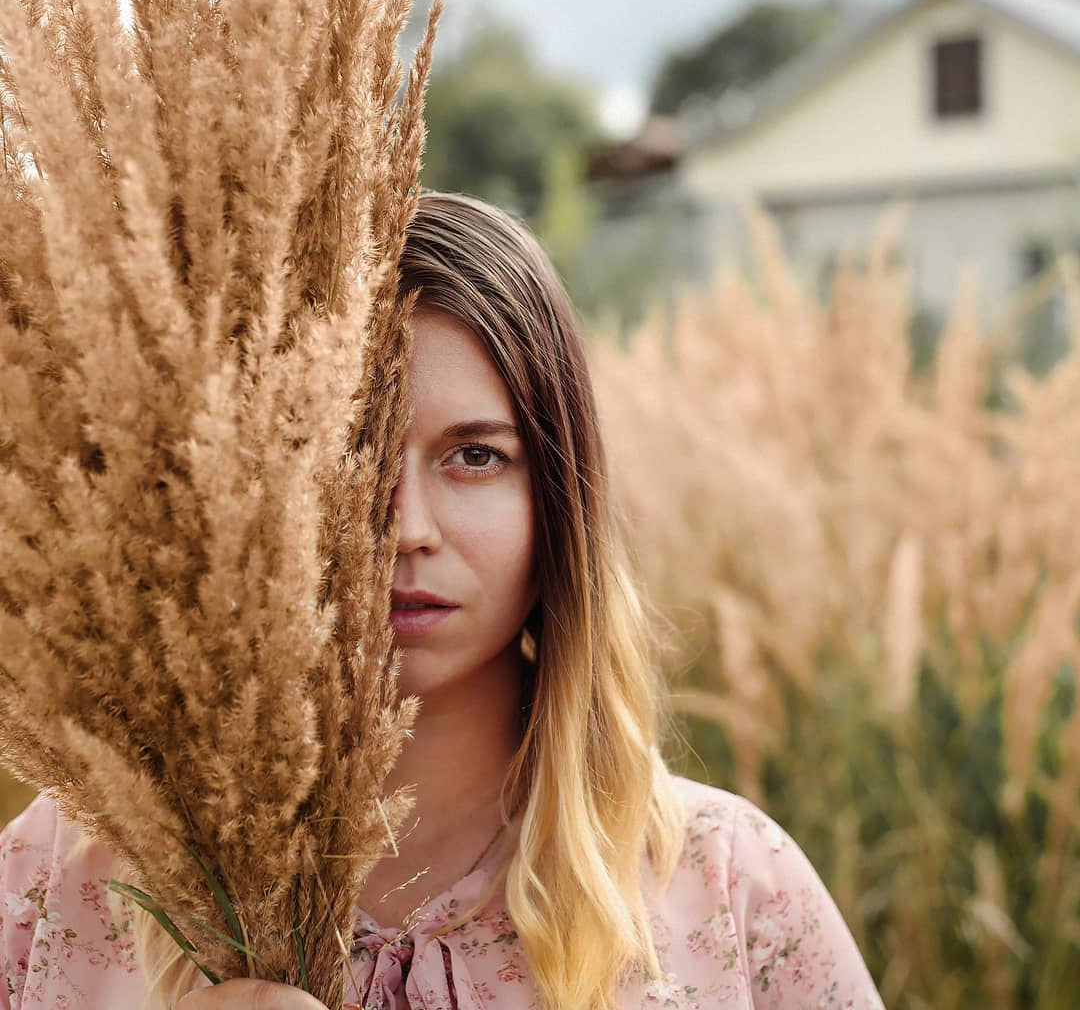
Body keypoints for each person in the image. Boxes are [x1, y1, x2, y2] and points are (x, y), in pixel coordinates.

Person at [0, 191, 885, 1009]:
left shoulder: (726, 885)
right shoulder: (67, 872)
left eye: (475, 457)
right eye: (349, 453)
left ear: (557, 501)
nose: (406, 527)